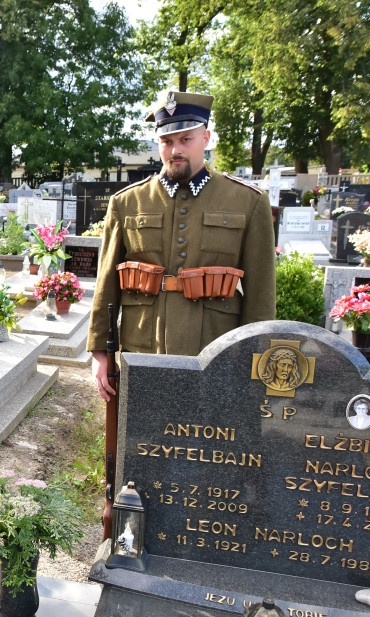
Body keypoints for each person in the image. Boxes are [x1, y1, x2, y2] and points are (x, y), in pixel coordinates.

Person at [89, 91, 276, 400]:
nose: (175, 150)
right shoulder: (127, 202)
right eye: (166, 142)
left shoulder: (248, 202)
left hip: (217, 347)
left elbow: (261, 292)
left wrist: (254, 357)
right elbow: (107, 282)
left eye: (185, 139)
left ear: (206, 137)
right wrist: (99, 351)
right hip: (144, 345)